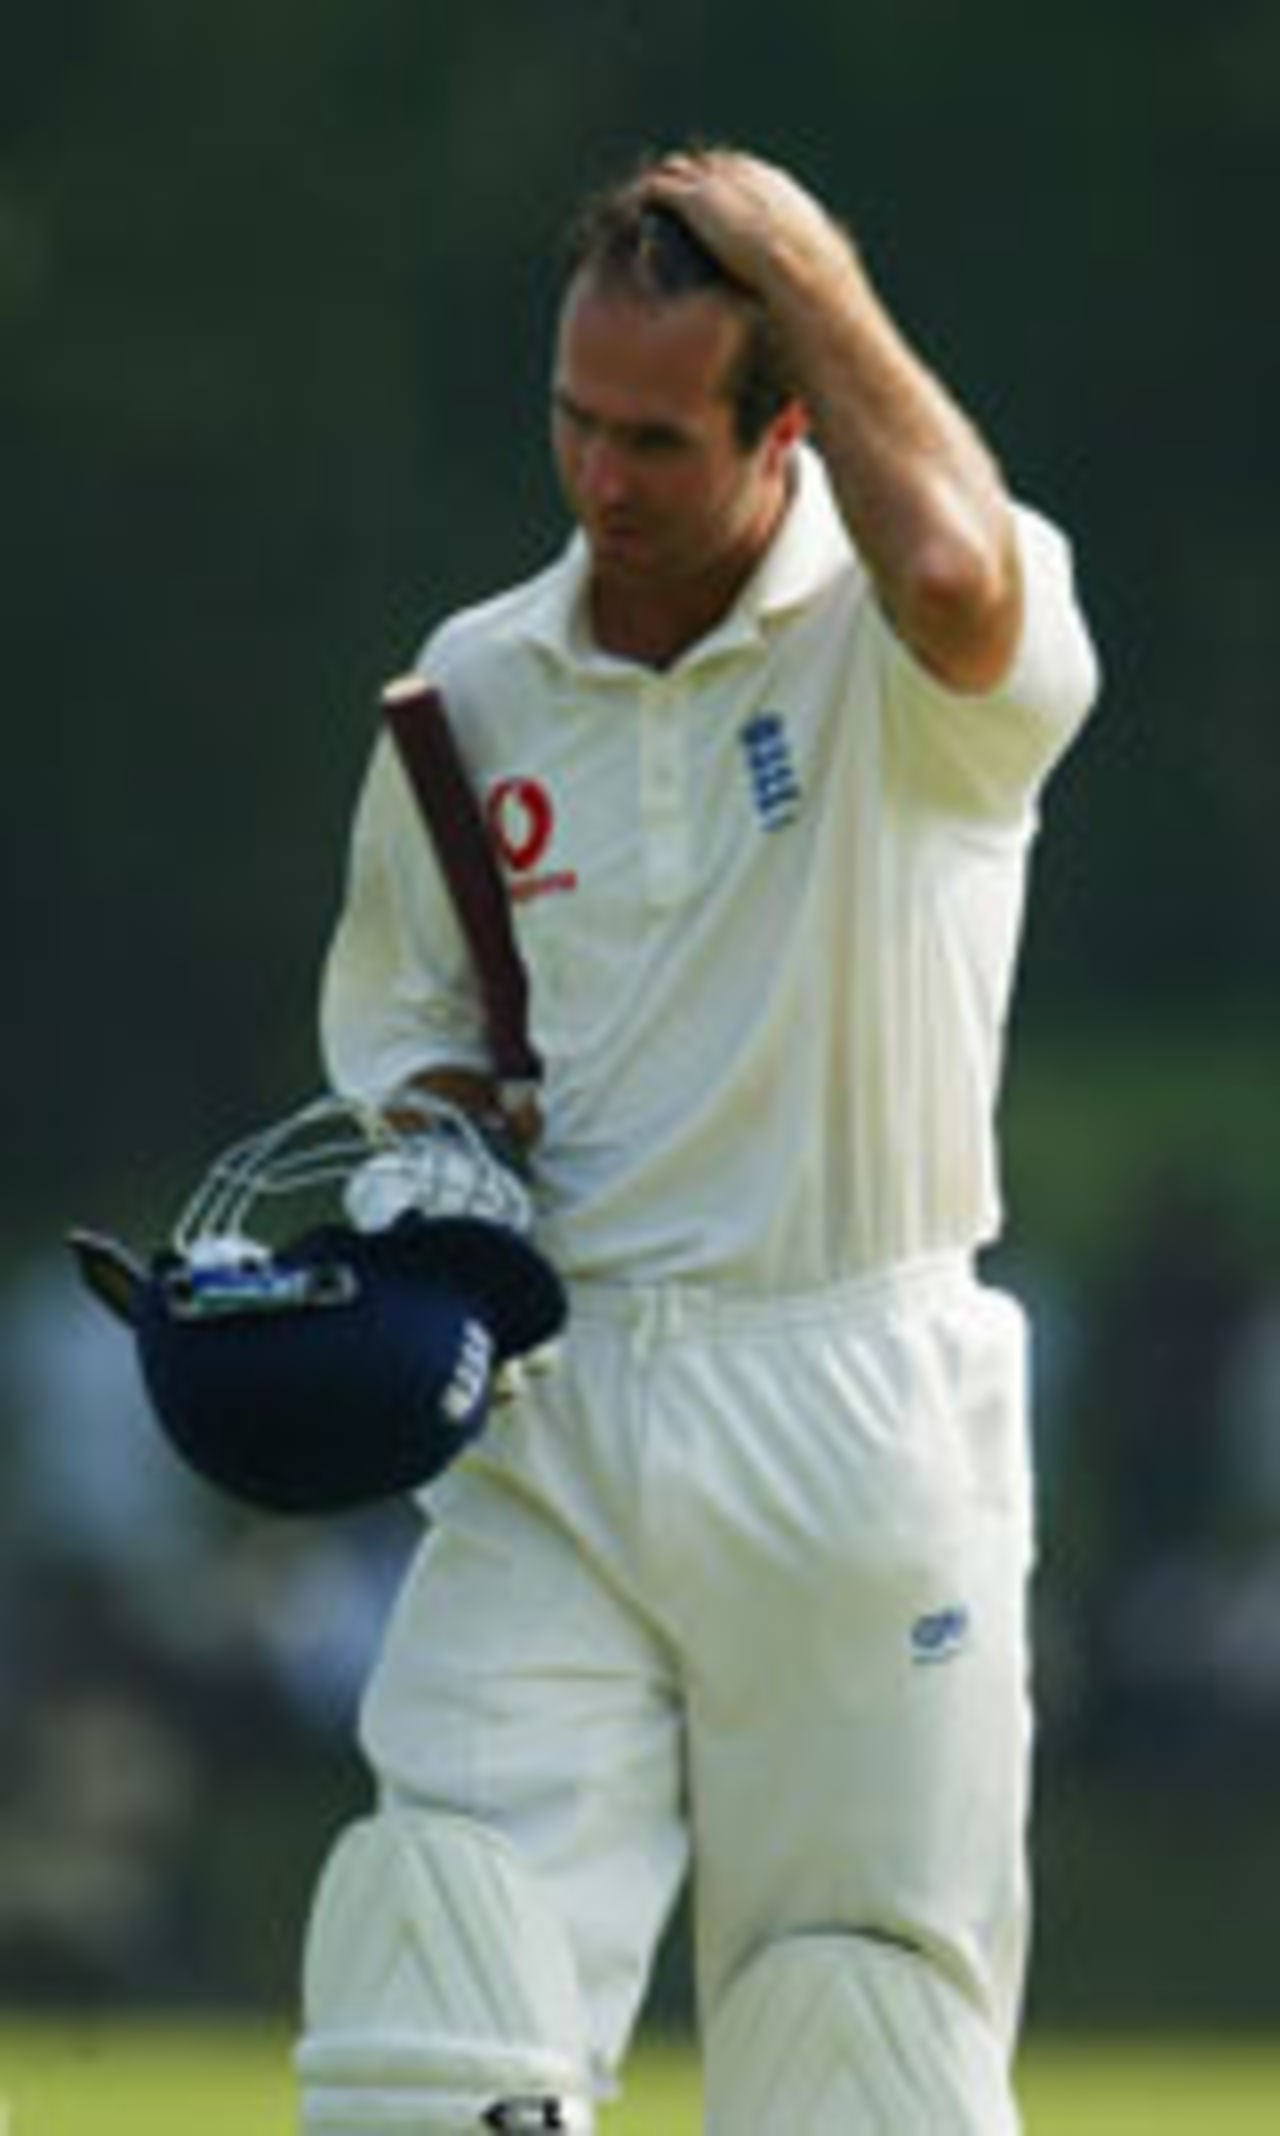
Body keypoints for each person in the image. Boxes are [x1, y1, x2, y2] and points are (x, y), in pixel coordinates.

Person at [295, 146, 1099, 2135]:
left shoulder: (907, 656)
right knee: (430, 2001)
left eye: (655, 437)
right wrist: (427, 1169)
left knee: (855, 2038)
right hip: (556, 1411)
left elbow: (954, 580)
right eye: (575, 419)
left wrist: (811, 264)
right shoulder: (480, 680)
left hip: (853, 1406)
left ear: (785, 430)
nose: (601, 478)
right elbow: (413, 1025)